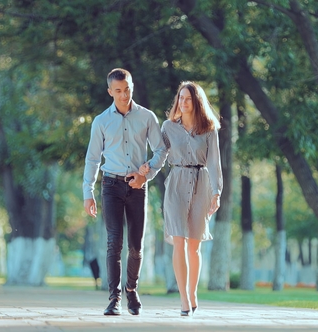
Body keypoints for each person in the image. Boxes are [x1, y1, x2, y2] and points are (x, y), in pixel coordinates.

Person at [83, 68, 167, 316]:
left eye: (127, 89)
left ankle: (132, 289)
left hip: (137, 186)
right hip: (110, 186)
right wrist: (88, 192)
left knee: (136, 246)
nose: (123, 95)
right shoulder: (101, 121)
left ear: (132, 86)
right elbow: (92, 159)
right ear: (110, 91)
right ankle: (114, 298)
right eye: (118, 91)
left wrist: (146, 174)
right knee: (113, 243)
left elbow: (161, 150)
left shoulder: (147, 117)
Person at [140, 81, 222, 316]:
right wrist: (147, 170)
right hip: (175, 184)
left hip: (201, 184)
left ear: (196, 102)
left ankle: (193, 292)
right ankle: (184, 299)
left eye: (188, 99)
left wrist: (217, 192)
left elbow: (215, 163)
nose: (183, 102)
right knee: (179, 241)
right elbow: (160, 155)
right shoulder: (168, 126)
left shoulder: (209, 129)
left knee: (194, 246)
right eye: (181, 98)